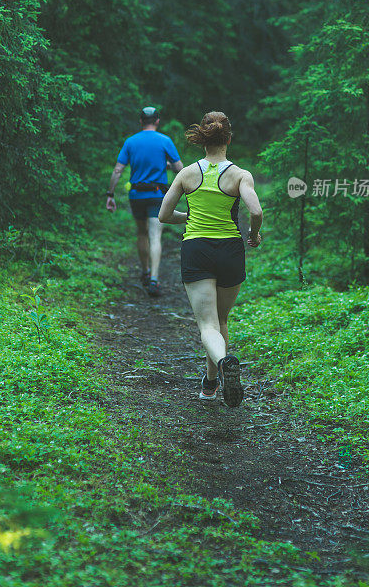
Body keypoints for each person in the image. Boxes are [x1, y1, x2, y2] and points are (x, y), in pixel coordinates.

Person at [158, 111, 262, 407]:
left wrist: (189, 217)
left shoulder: (187, 173)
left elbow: (164, 215)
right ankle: (211, 383)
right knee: (222, 320)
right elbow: (255, 211)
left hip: (197, 248)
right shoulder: (241, 175)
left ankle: (222, 367)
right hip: (230, 249)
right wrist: (254, 235)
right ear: (228, 138)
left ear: (203, 140)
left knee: (207, 325)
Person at [106, 106, 183, 296]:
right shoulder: (165, 141)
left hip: (136, 196)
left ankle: (145, 271)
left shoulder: (131, 142)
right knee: (155, 235)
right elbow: (179, 169)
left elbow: (117, 170)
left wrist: (110, 194)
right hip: (157, 195)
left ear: (141, 121)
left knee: (141, 233)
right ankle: (155, 281)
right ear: (157, 121)